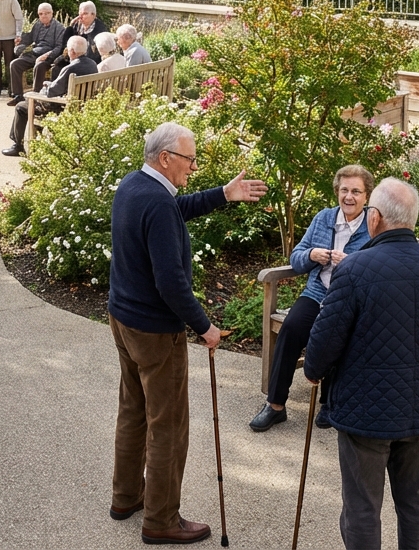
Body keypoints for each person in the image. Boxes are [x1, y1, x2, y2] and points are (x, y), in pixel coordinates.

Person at [108, 122, 267, 545]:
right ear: (165, 158)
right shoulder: (158, 202)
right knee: (169, 426)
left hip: (123, 320)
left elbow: (172, 210)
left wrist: (223, 194)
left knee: (133, 411)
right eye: (189, 159)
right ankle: (161, 519)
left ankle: (126, 497)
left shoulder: (133, 185)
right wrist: (205, 327)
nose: (193, 167)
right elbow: (171, 283)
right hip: (155, 332)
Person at [304, 178, 419, 550]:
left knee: (362, 509)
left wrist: (313, 371)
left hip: (366, 413)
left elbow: (324, 342)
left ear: (374, 218)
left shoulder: (355, 268)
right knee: (416, 508)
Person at [249, 165, 373, 432]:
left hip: (349, 300)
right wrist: (311, 255)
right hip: (317, 293)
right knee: (292, 328)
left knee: (342, 332)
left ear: (366, 196)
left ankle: (330, 403)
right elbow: (296, 257)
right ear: (337, 191)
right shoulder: (324, 218)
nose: (349, 196)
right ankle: (275, 405)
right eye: (344, 190)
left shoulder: (373, 225)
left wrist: (351, 264)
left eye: (356, 191)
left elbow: (378, 268)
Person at [3, 35, 96, 156]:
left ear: (72, 51)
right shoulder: (92, 64)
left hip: (63, 107)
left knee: (21, 106)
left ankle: (18, 146)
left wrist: (44, 88)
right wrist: (50, 85)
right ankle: (39, 142)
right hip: (82, 105)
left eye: (68, 49)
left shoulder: (70, 68)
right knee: (34, 102)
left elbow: (52, 92)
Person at [8, 2, 66, 104]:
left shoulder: (59, 28)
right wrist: (20, 41)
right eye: (41, 14)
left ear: (52, 13)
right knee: (15, 64)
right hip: (35, 54)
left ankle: (36, 98)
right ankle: (18, 95)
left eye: (46, 13)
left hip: (50, 57)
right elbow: (30, 38)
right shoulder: (38, 25)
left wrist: (47, 55)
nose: (44, 16)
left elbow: (59, 47)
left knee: (39, 66)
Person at [51, 1, 107, 73]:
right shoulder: (77, 25)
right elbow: (65, 44)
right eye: (80, 14)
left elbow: (93, 54)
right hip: (73, 56)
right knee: (57, 65)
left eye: (84, 14)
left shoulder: (100, 30)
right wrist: (70, 27)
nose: (80, 17)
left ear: (93, 15)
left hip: (88, 62)